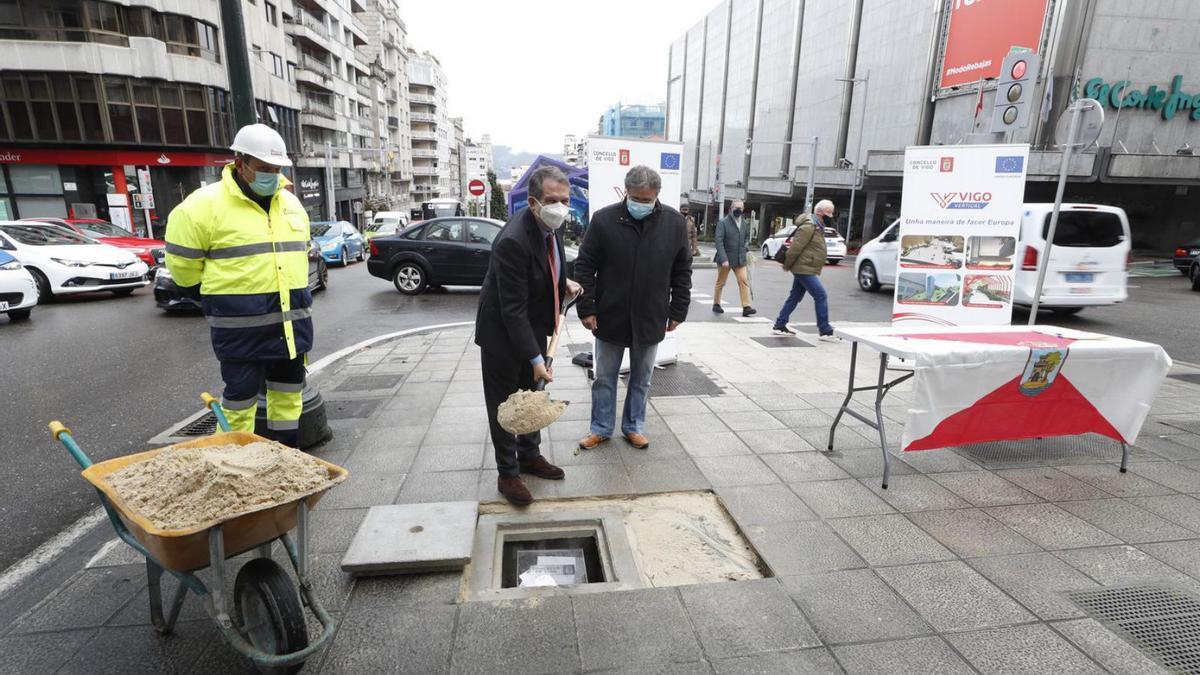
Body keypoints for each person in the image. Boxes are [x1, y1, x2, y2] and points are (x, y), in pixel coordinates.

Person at [165, 124, 311, 447]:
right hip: (240, 335)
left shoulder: (291, 205)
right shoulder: (202, 207)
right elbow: (184, 273)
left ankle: (286, 458)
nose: (272, 175)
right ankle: (232, 467)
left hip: (290, 332)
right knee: (239, 406)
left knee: (288, 402)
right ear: (240, 162)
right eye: (264, 168)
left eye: (277, 169)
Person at [475, 165, 581, 506]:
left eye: (564, 200)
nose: (560, 207)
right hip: (502, 336)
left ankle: (529, 455)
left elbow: (547, 264)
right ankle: (508, 473)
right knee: (507, 405)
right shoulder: (513, 241)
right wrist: (537, 359)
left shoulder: (552, 226)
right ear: (534, 202)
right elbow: (512, 310)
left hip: (533, 328)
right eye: (552, 200)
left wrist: (561, 282)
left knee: (533, 396)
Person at [575, 166, 692, 452]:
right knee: (604, 377)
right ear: (626, 192)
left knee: (642, 378)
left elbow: (682, 270)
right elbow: (585, 266)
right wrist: (587, 308)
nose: (642, 204)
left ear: (657, 195)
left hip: (650, 314)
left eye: (647, 199)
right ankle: (601, 428)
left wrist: (678, 310)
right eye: (637, 198)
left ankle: (634, 427)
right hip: (609, 314)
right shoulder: (604, 220)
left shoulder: (674, 224)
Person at [773, 199, 836, 340]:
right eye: (828, 213)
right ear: (819, 212)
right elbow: (796, 247)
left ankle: (780, 325)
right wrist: (787, 264)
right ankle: (825, 330)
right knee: (821, 295)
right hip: (803, 268)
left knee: (795, 296)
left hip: (805, 266)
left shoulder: (817, 225)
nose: (829, 217)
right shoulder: (809, 226)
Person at [713, 199, 755, 316]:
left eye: (740, 208)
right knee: (721, 283)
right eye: (736, 207)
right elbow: (719, 241)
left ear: (743, 209)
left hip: (740, 259)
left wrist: (746, 247)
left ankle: (746, 307)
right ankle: (716, 304)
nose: (738, 210)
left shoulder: (745, 223)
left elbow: (745, 238)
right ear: (731, 208)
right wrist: (724, 259)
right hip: (725, 259)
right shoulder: (723, 223)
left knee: (743, 281)